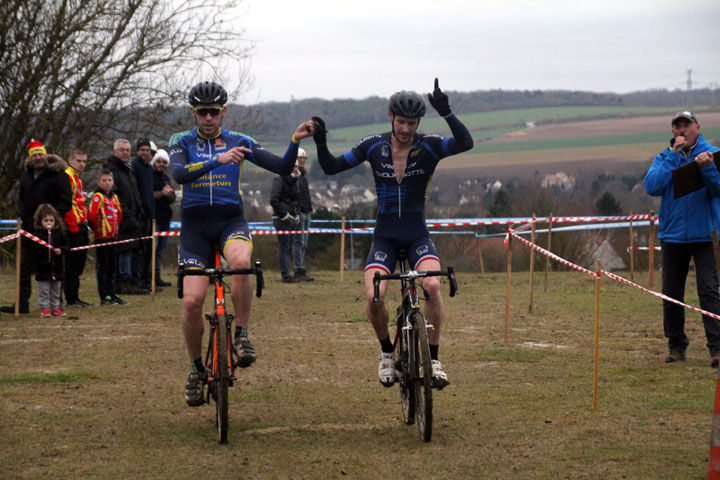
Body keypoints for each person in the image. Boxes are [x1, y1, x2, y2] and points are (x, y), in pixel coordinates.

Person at [312, 79, 473, 389]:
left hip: (417, 235)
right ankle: (387, 352)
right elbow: (331, 167)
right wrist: (321, 138)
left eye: (412, 123)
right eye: (401, 122)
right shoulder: (373, 145)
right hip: (384, 236)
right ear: (390, 117)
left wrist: (448, 113)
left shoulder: (429, 145)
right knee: (375, 297)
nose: (406, 128)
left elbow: (465, 144)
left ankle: (434, 358)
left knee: (433, 287)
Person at [170, 81, 314, 406]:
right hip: (195, 229)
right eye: (203, 112)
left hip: (229, 221)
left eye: (214, 112)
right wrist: (218, 161)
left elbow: (280, 166)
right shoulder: (181, 142)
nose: (208, 118)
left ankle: (242, 335)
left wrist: (294, 140)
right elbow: (178, 174)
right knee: (192, 302)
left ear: (223, 111)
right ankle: (195, 369)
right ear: (194, 113)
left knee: (241, 261)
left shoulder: (240, 141)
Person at [644, 111, 720, 367]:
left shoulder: (712, 154)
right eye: (677, 126)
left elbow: (718, 188)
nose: (681, 130)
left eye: (686, 125)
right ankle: (676, 346)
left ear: (697, 127)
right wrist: (671, 159)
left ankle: (717, 348)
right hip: (673, 236)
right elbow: (652, 186)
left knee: (708, 290)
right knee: (671, 294)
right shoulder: (664, 157)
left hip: (706, 235)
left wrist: (707, 168)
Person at [0, 140, 72, 315]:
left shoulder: (59, 175)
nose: (38, 157)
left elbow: (66, 202)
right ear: (30, 158)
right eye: (35, 155)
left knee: (53, 267)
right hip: (28, 230)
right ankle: (21, 304)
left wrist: (50, 217)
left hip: (51, 230)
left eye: (41, 154)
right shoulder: (26, 176)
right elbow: (22, 200)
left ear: (45, 154)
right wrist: (24, 217)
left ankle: (56, 305)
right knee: (23, 267)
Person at [104, 139, 147, 295]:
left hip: (134, 216)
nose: (125, 153)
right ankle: (122, 282)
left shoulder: (128, 170)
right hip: (121, 218)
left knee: (132, 250)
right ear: (115, 151)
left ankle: (132, 280)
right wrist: (127, 215)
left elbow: (134, 193)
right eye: (122, 150)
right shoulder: (112, 170)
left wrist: (139, 210)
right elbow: (115, 195)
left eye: (128, 150)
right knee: (123, 251)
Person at [87, 169, 126, 306]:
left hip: (113, 236)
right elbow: (91, 215)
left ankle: (112, 294)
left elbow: (119, 214)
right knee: (103, 268)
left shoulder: (114, 197)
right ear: (99, 182)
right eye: (104, 180)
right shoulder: (98, 196)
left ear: (113, 181)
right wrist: (97, 229)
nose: (107, 183)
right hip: (102, 237)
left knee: (112, 268)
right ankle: (105, 296)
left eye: (109, 180)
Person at [64, 149, 92, 307]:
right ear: (70, 160)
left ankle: (75, 297)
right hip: (73, 227)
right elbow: (68, 205)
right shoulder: (67, 177)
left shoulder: (78, 179)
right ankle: (71, 298)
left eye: (84, 161)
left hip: (82, 225)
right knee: (72, 266)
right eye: (79, 161)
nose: (82, 164)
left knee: (78, 265)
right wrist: (73, 227)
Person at [31, 204, 70, 317]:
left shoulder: (60, 234)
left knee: (56, 290)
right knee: (44, 290)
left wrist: (61, 250)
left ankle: (55, 308)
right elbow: (33, 254)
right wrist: (33, 268)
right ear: (40, 221)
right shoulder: (37, 236)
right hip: (43, 269)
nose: (49, 223)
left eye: (51, 220)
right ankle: (44, 309)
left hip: (57, 268)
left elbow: (67, 246)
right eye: (46, 220)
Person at [270, 158, 302, 283]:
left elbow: (297, 199)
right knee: (284, 247)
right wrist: (284, 215)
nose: (296, 169)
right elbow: (274, 200)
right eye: (294, 166)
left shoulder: (295, 181)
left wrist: (296, 213)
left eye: (297, 166)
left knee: (289, 248)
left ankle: (289, 273)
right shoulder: (279, 180)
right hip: (281, 219)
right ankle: (285, 275)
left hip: (292, 219)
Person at [132, 138, 156, 291]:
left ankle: (145, 278)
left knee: (148, 249)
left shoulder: (150, 169)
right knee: (138, 250)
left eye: (148, 150)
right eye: (142, 150)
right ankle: (136, 279)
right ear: (138, 151)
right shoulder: (134, 167)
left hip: (150, 213)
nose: (145, 153)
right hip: (139, 213)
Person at [151, 148, 176, 287]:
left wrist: (170, 194)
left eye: (164, 162)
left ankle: (157, 276)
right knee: (152, 250)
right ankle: (149, 277)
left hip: (165, 218)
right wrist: (162, 193)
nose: (161, 164)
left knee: (160, 249)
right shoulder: (149, 176)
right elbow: (149, 195)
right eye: (159, 161)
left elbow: (172, 198)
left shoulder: (166, 178)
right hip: (154, 217)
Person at [294, 148, 314, 282]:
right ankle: (298, 268)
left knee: (304, 242)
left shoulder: (303, 176)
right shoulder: (293, 176)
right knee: (299, 242)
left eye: (303, 158)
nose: (302, 160)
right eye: (300, 158)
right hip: (299, 212)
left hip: (307, 212)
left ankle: (301, 267)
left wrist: (309, 209)